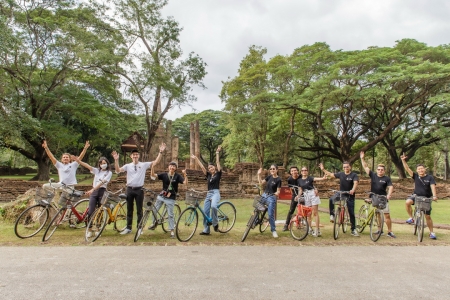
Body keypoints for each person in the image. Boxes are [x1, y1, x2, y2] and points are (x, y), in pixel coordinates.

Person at [112, 143, 165, 235]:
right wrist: (116, 160)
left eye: (137, 154)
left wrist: (160, 152)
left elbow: (155, 162)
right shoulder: (127, 166)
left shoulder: (143, 165)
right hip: (129, 189)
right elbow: (117, 170)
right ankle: (128, 228)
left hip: (139, 190)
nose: (135, 156)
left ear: (139, 156)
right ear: (131, 156)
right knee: (129, 209)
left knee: (139, 209)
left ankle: (139, 228)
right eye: (134, 155)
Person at [73, 155, 113, 237]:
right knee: (91, 211)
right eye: (101, 163)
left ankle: (98, 228)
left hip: (102, 191)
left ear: (107, 164)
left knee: (100, 211)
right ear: (99, 164)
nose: (103, 164)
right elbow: (88, 166)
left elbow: (102, 183)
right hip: (94, 193)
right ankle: (90, 229)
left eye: (104, 163)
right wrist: (79, 161)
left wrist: (92, 189)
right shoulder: (97, 171)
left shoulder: (109, 173)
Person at [401, 154, 438, 239]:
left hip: (426, 198)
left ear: (425, 169)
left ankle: (432, 232)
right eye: (419, 169)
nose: (420, 170)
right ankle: (411, 218)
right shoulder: (416, 176)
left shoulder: (430, 177)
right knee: (407, 202)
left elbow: (433, 186)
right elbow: (407, 169)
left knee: (427, 216)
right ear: (417, 171)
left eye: (422, 168)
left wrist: (435, 196)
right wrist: (403, 160)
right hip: (416, 196)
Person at [360, 151, 396, 238]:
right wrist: (362, 158)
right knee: (377, 214)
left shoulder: (387, 178)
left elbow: (391, 187)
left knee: (386, 214)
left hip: (383, 198)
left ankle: (390, 231)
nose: (380, 171)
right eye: (379, 169)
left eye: (382, 170)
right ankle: (380, 230)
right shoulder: (373, 175)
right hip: (374, 197)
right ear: (376, 170)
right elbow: (365, 167)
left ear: (384, 171)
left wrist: (389, 195)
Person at [319, 161, 359, 237]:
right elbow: (331, 174)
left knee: (351, 213)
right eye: (344, 167)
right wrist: (323, 169)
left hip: (350, 195)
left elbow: (355, 183)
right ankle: (332, 215)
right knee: (331, 199)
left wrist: (353, 190)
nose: (345, 168)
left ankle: (353, 229)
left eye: (347, 167)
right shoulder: (341, 174)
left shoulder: (354, 175)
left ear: (350, 167)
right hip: (341, 193)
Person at [150, 161, 187, 238]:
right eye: (171, 166)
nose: (172, 167)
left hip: (171, 197)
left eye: (174, 166)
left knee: (170, 215)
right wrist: (152, 167)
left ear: (176, 168)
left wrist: (185, 174)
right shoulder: (164, 175)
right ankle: (154, 223)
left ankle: (172, 231)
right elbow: (153, 175)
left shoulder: (177, 176)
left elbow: (185, 183)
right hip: (162, 195)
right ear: (168, 167)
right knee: (154, 209)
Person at [191, 146, 222, 235]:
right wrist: (196, 158)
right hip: (209, 193)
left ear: (214, 168)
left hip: (216, 192)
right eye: (209, 168)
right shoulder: (208, 175)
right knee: (205, 211)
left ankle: (215, 224)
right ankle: (206, 230)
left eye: (212, 167)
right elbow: (201, 167)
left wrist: (217, 152)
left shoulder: (218, 174)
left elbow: (217, 162)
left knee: (214, 207)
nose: (211, 169)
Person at [296, 166, 327, 237]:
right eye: (303, 170)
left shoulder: (310, 178)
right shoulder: (299, 180)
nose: (304, 171)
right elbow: (300, 190)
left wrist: (323, 178)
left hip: (312, 194)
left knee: (315, 213)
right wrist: (298, 196)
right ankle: (309, 228)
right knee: (308, 213)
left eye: (305, 170)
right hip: (306, 195)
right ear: (301, 172)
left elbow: (317, 179)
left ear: (307, 171)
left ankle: (317, 230)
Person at [257, 165, 282, 238]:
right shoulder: (269, 177)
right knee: (257, 207)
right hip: (265, 195)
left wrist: (276, 193)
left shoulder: (278, 180)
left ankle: (273, 230)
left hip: (271, 197)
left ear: (277, 170)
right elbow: (261, 183)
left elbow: (278, 191)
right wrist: (259, 174)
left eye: (273, 169)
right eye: (270, 169)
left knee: (271, 214)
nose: (272, 170)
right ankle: (255, 221)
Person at [282, 166, 300, 232]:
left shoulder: (301, 177)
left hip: (303, 195)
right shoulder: (290, 179)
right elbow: (290, 189)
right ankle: (286, 225)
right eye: (292, 171)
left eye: (295, 170)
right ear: (290, 172)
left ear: (297, 171)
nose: (294, 172)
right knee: (291, 210)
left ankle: (301, 224)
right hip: (295, 195)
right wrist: (293, 195)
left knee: (302, 210)